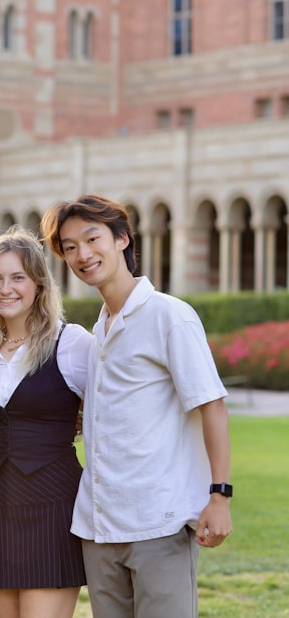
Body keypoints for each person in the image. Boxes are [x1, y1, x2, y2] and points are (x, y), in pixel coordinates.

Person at [40, 194, 232, 618]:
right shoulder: (100, 328)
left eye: (92, 239)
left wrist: (220, 496)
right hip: (99, 526)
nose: (82, 255)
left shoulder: (169, 316)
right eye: (70, 247)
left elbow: (212, 406)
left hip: (157, 524)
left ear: (122, 239)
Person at [0, 226, 92, 618]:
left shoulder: (70, 343)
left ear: (38, 284)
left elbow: (112, 412)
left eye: (18, 277)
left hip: (52, 504)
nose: (6, 288)